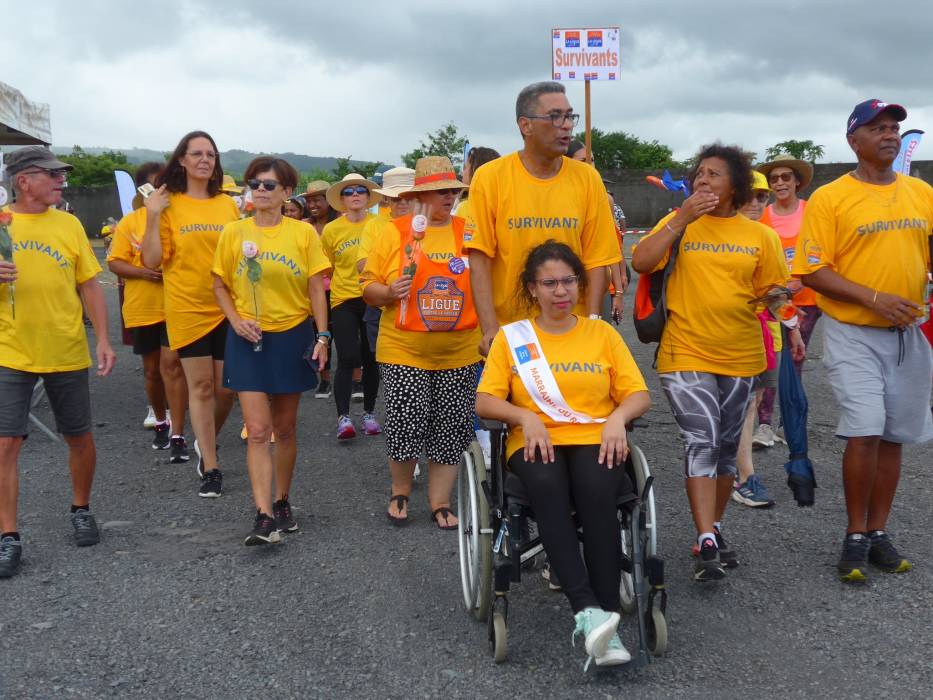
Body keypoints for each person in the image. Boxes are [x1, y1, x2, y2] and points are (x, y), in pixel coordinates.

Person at [476, 241, 650, 668]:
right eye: (549, 283)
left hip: (596, 436)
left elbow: (638, 394)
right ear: (532, 288)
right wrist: (523, 416)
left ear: (579, 284)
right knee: (548, 486)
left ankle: (606, 615)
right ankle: (588, 612)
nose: (561, 291)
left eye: (568, 281)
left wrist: (618, 418)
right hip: (535, 440)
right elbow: (485, 401)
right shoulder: (512, 338)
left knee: (597, 492)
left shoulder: (602, 334)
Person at [631, 144, 789, 582]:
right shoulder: (678, 223)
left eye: (714, 174)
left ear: (735, 184)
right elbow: (641, 261)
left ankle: (713, 527)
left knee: (725, 448)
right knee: (702, 440)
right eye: (699, 173)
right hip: (684, 351)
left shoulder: (761, 236)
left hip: (741, 354)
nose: (703, 179)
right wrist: (680, 219)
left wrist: (780, 302)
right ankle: (705, 538)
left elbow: (773, 291)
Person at [792, 99, 933, 582]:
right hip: (854, 333)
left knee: (894, 436)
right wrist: (875, 299)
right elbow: (813, 270)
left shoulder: (921, 192)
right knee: (866, 428)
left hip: (908, 333)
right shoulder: (832, 198)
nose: (890, 134)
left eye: (894, 127)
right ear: (854, 141)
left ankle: (878, 532)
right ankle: (854, 534)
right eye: (878, 128)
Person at [0, 146, 117, 578]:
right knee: (6, 444)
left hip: (65, 347)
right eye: (50, 175)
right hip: (9, 349)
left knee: (79, 437)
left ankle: (81, 508)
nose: (60, 181)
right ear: (23, 180)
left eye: (60, 174)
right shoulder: (0, 223)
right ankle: (8, 536)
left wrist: (103, 339)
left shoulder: (68, 224)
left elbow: (90, 285)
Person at [212, 157, 331, 544]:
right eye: (254, 184)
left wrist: (323, 336)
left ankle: (282, 501)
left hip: (292, 335)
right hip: (247, 338)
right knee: (259, 431)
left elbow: (316, 288)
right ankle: (263, 515)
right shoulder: (234, 232)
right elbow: (219, 285)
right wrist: (234, 320)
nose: (260, 191)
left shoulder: (303, 234)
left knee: (285, 428)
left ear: (286, 192)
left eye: (268, 185)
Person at [361, 156, 481, 527]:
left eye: (452, 191)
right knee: (406, 421)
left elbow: (489, 280)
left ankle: (440, 502)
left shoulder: (470, 231)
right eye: (439, 191)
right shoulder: (394, 232)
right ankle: (400, 491)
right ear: (419, 196)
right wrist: (387, 291)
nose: (448, 197)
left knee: (451, 425)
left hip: (460, 351)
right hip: (404, 349)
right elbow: (367, 287)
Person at [465, 81, 621, 354]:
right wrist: (490, 329)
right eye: (555, 116)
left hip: (573, 330)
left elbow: (597, 260)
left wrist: (593, 322)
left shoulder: (588, 178)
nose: (566, 125)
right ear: (525, 125)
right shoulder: (490, 178)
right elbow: (479, 259)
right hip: (513, 333)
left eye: (569, 116)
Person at [140, 131, 240, 498]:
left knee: (226, 390)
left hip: (227, 307)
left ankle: (204, 439)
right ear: (181, 159)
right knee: (200, 388)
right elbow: (152, 260)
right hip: (187, 307)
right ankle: (211, 466)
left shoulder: (227, 205)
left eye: (210, 154)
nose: (204, 160)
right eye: (196, 153)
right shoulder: (168, 203)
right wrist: (153, 216)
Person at [107, 162, 190, 463]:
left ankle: (178, 434)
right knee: (153, 371)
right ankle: (161, 420)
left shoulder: (180, 219)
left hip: (177, 305)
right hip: (143, 307)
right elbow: (114, 262)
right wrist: (143, 272)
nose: (164, 190)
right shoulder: (130, 222)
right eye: (157, 185)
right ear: (144, 189)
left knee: (173, 367)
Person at [733, 171, 805, 507]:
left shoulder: (767, 237)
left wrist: (793, 329)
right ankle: (743, 474)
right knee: (740, 403)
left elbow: (777, 293)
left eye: (762, 196)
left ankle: (740, 471)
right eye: (749, 194)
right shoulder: (719, 234)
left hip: (767, 334)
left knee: (753, 400)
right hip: (730, 334)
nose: (756, 202)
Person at [753, 153, 817, 448]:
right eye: (774, 178)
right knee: (771, 359)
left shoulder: (811, 212)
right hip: (770, 299)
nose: (779, 183)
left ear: (797, 182)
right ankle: (764, 425)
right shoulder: (762, 214)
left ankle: (788, 422)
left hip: (806, 298)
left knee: (795, 359)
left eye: (785, 177)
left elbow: (822, 250)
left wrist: (802, 279)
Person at [320, 174, 381, 440]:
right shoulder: (332, 230)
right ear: (342, 200)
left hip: (372, 297)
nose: (355, 195)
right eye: (348, 192)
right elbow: (329, 266)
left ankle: (369, 413)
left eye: (360, 190)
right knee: (347, 356)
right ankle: (343, 418)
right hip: (344, 298)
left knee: (371, 357)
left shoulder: (379, 225)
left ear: (368, 197)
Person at [356, 167, 415, 354]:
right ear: (387, 199)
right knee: (381, 360)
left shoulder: (425, 224)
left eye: (407, 197)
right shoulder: (374, 226)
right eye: (397, 198)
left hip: (418, 305)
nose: (402, 202)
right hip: (381, 306)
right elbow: (362, 265)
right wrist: (390, 283)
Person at [304, 179, 339, 398]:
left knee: (341, 336)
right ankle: (324, 379)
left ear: (329, 201)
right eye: (309, 201)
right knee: (318, 335)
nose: (312, 205)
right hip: (313, 291)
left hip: (336, 290)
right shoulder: (304, 226)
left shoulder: (340, 224)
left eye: (317, 200)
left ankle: (354, 378)